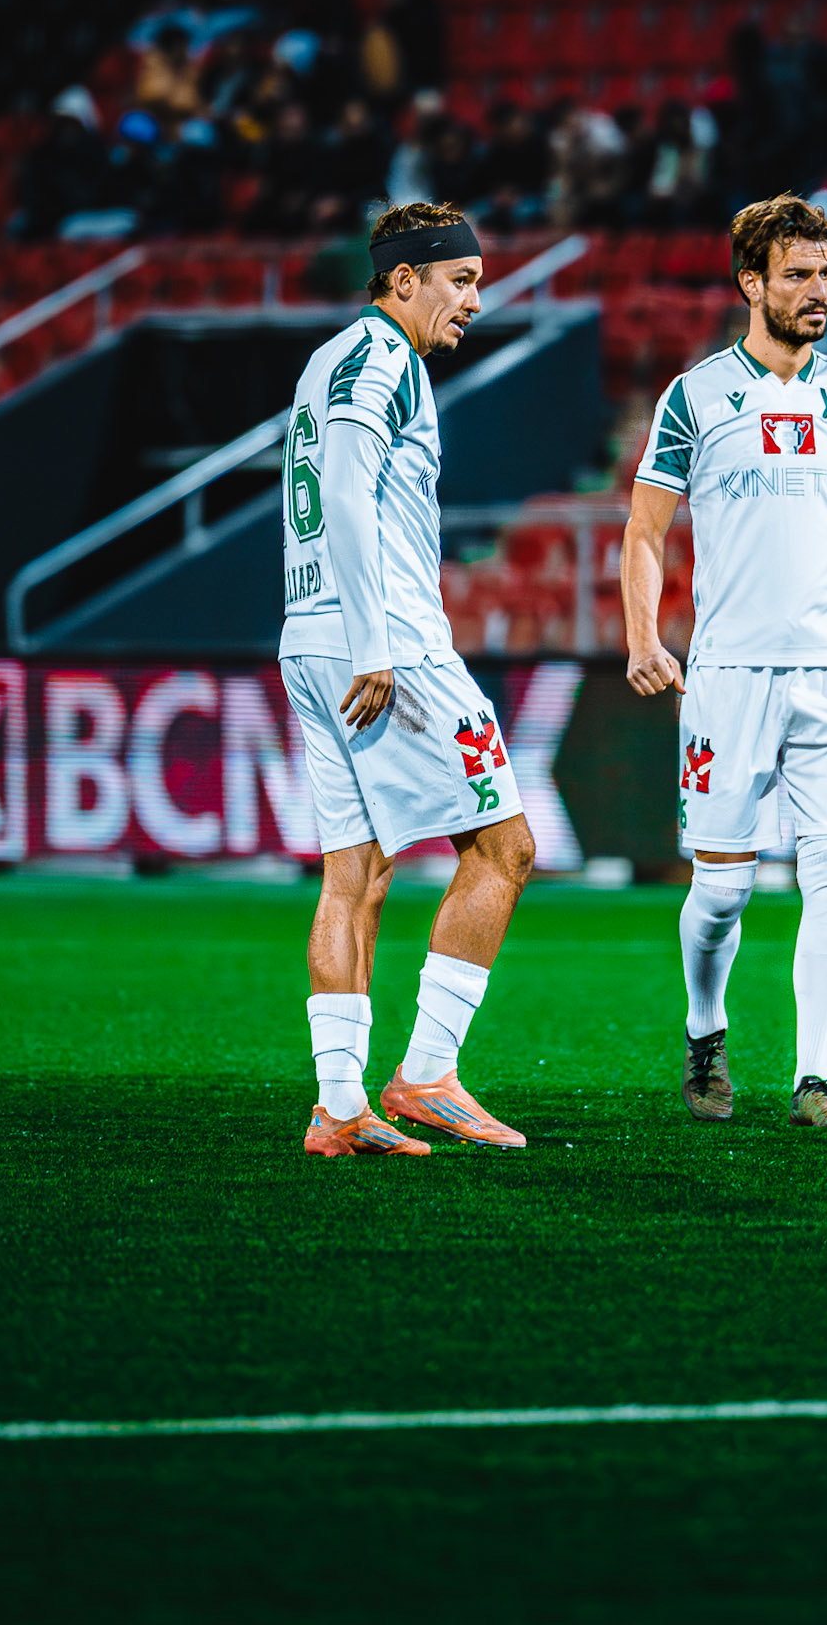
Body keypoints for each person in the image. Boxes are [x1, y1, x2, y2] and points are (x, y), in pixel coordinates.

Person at [621, 192, 827, 1129]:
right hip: (728, 676)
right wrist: (644, 635)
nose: (818, 292)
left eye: (825, 275)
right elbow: (645, 530)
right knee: (721, 890)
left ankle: (816, 1079)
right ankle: (705, 1031)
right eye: (797, 276)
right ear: (750, 283)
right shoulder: (695, 397)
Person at [279, 201, 536, 1158]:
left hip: (307, 635)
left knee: (355, 873)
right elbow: (348, 492)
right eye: (459, 281)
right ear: (403, 280)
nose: (474, 301)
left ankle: (338, 1108)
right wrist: (375, 642)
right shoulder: (385, 360)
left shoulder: (326, 361)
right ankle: (427, 1075)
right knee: (505, 849)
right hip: (385, 642)